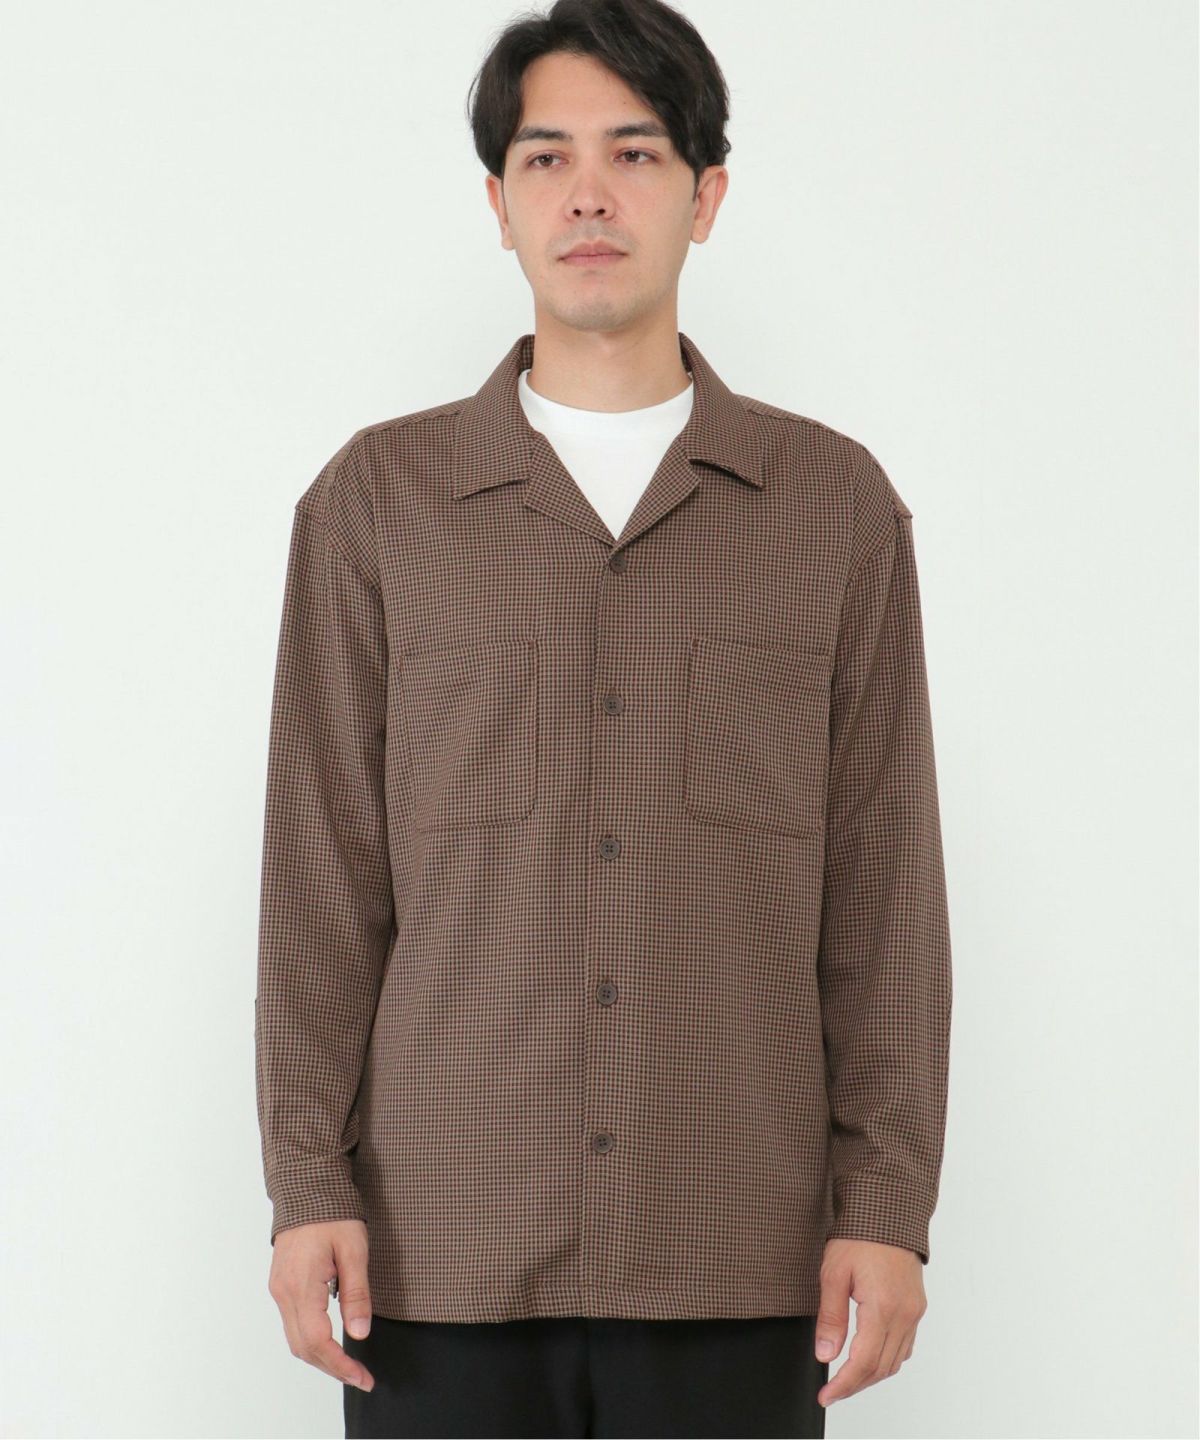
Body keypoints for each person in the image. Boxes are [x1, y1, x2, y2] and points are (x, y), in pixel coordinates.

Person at [254, 1, 953, 1435]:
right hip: (441, 1253)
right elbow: (322, 878)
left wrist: (886, 1205)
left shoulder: (832, 509)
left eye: (634, 154)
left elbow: (885, 889)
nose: (588, 195)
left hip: (736, 1247)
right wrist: (307, 1186)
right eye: (547, 157)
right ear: (499, 205)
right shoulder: (378, 505)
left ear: (706, 195)